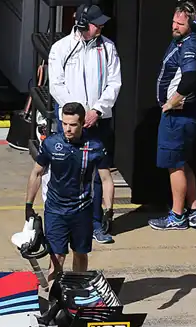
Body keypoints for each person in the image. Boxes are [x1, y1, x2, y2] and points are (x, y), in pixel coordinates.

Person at [47, 1, 122, 244]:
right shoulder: (61, 48)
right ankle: (62, 222)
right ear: (81, 23)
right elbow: (56, 85)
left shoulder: (109, 48)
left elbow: (114, 83)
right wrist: (77, 114)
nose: (100, 27)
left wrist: (97, 110)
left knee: (98, 174)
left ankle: (96, 224)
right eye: (96, 23)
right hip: (71, 122)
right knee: (66, 172)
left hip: (98, 121)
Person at [24, 102, 115, 282]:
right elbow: (36, 173)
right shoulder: (51, 143)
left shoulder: (94, 146)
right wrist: (28, 205)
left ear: (82, 124)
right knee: (56, 257)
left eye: (73, 125)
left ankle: (77, 292)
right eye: (64, 124)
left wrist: (109, 210)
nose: (68, 129)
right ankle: (53, 297)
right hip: (55, 209)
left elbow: (106, 179)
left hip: (82, 210)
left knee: (80, 254)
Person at [148, 1, 196, 231]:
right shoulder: (191, 40)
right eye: (173, 21)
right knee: (183, 163)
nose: (174, 26)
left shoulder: (190, 45)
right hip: (189, 116)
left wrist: (172, 102)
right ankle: (194, 212)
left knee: (174, 165)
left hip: (178, 116)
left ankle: (177, 215)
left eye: (180, 23)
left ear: (192, 24)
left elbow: (191, 77)